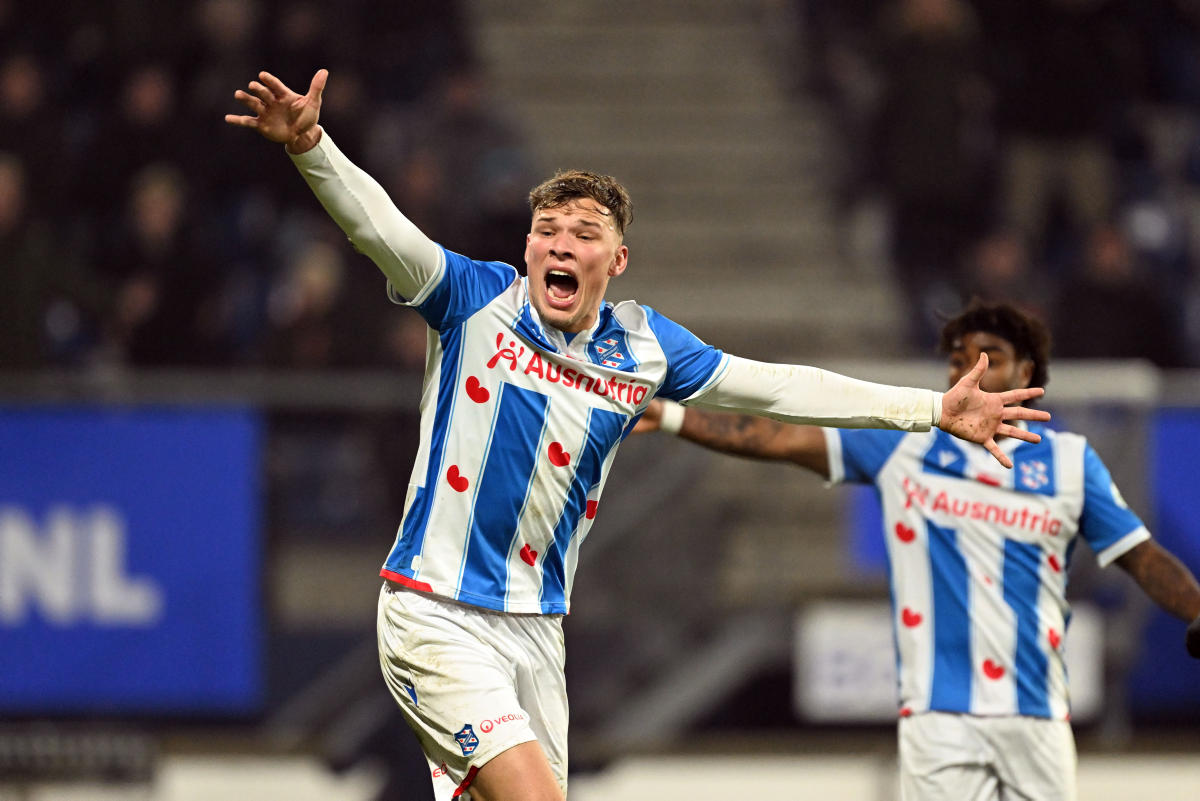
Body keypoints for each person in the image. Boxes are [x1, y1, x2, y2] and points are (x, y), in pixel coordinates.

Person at [225, 69, 1050, 801]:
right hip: (434, 612)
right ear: (526, 245)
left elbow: (781, 386)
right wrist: (314, 149)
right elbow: (384, 234)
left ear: (616, 261)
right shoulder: (474, 301)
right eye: (548, 227)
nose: (561, 243)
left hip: (537, 630)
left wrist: (931, 410)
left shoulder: (643, 347)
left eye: (584, 234)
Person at [638, 301, 1200, 801]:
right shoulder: (904, 444)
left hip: (1037, 715)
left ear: (1027, 372)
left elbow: (1139, 554)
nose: (968, 374)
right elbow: (782, 438)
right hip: (939, 717)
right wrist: (673, 415)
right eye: (958, 362)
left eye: (990, 360)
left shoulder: (1072, 464)